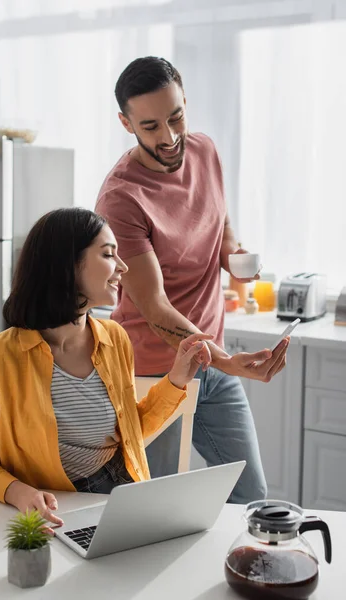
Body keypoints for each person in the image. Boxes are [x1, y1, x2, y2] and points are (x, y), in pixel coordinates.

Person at [96, 56, 289, 503]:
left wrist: (234, 258)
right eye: (150, 126)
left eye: (176, 116)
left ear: (185, 99)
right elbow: (154, 306)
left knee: (250, 497)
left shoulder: (204, 150)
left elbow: (220, 224)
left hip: (212, 364)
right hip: (152, 375)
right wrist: (225, 360)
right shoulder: (121, 197)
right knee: (155, 508)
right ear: (126, 123)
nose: (169, 137)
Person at [0, 207, 212, 529]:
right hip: (54, 505)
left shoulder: (114, 338)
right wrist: (17, 492)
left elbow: (128, 432)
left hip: (122, 489)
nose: (123, 267)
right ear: (67, 264)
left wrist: (177, 379)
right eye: (108, 254)